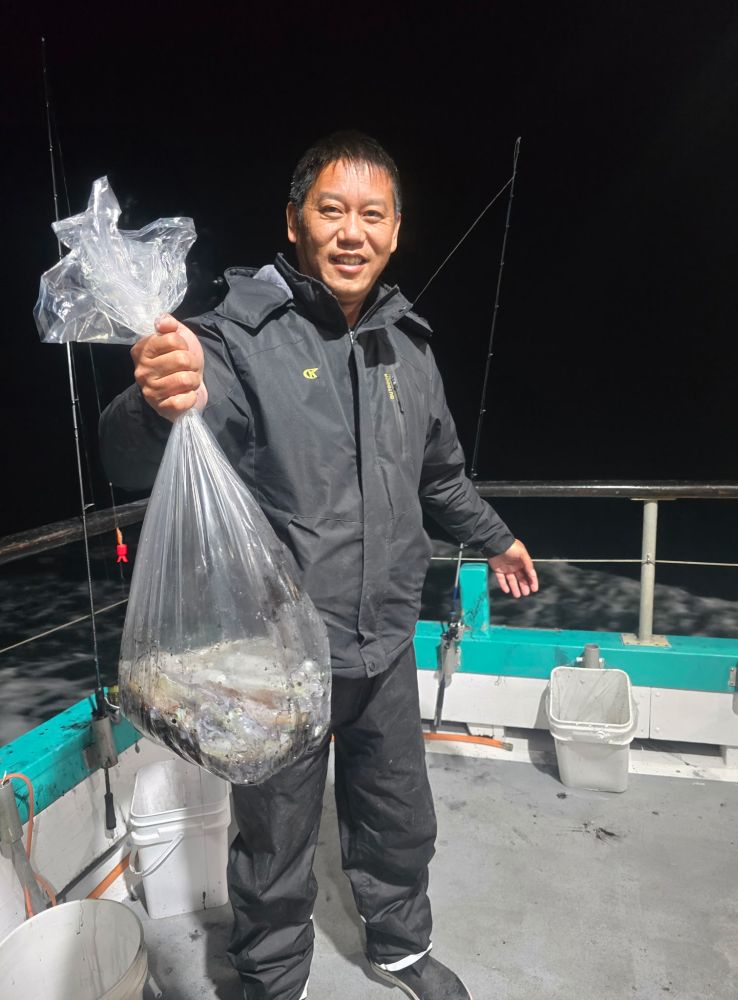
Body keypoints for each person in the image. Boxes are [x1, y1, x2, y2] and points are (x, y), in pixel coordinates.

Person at [99, 131, 538, 1000]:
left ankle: (401, 948)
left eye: (372, 215)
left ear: (396, 231)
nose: (351, 232)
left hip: (385, 643)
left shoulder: (409, 347)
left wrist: (496, 537)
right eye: (331, 210)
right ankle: (271, 979)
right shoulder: (235, 338)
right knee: (274, 842)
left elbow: (440, 476)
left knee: (399, 818)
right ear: (294, 222)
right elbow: (132, 453)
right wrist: (158, 400)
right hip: (282, 660)